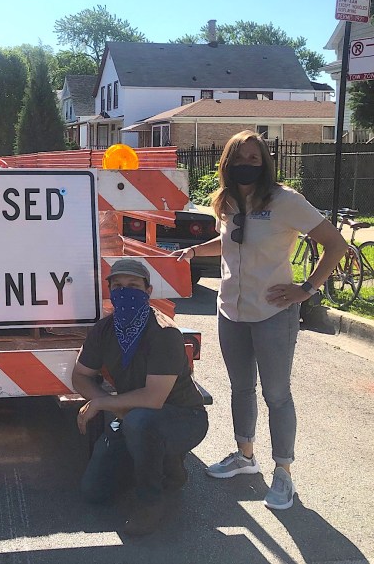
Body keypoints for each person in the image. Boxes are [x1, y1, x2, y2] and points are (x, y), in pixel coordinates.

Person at [172, 130, 347, 510]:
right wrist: (194, 250)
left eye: (254, 158)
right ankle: (245, 456)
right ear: (228, 163)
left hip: (272, 314)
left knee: (276, 394)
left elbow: (337, 245)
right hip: (231, 310)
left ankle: (283, 472)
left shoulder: (286, 201)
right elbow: (233, 240)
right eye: (240, 157)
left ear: (265, 163)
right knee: (240, 389)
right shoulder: (226, 202)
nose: (247, 164)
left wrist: (307, 289)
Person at [73, 258, 208, 536]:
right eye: (118, 286)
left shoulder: (164, 332)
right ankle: (162, 466)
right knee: (94, 491)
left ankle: (151, 503)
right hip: (134, 415)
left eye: (133, 286)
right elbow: (80, 375)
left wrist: (101, 402)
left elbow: (154, 398)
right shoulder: (105, 329)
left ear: (147, 291)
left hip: (183, 418)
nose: (125, 292)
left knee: (140, 423)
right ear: (110, 290)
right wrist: (114, 406)